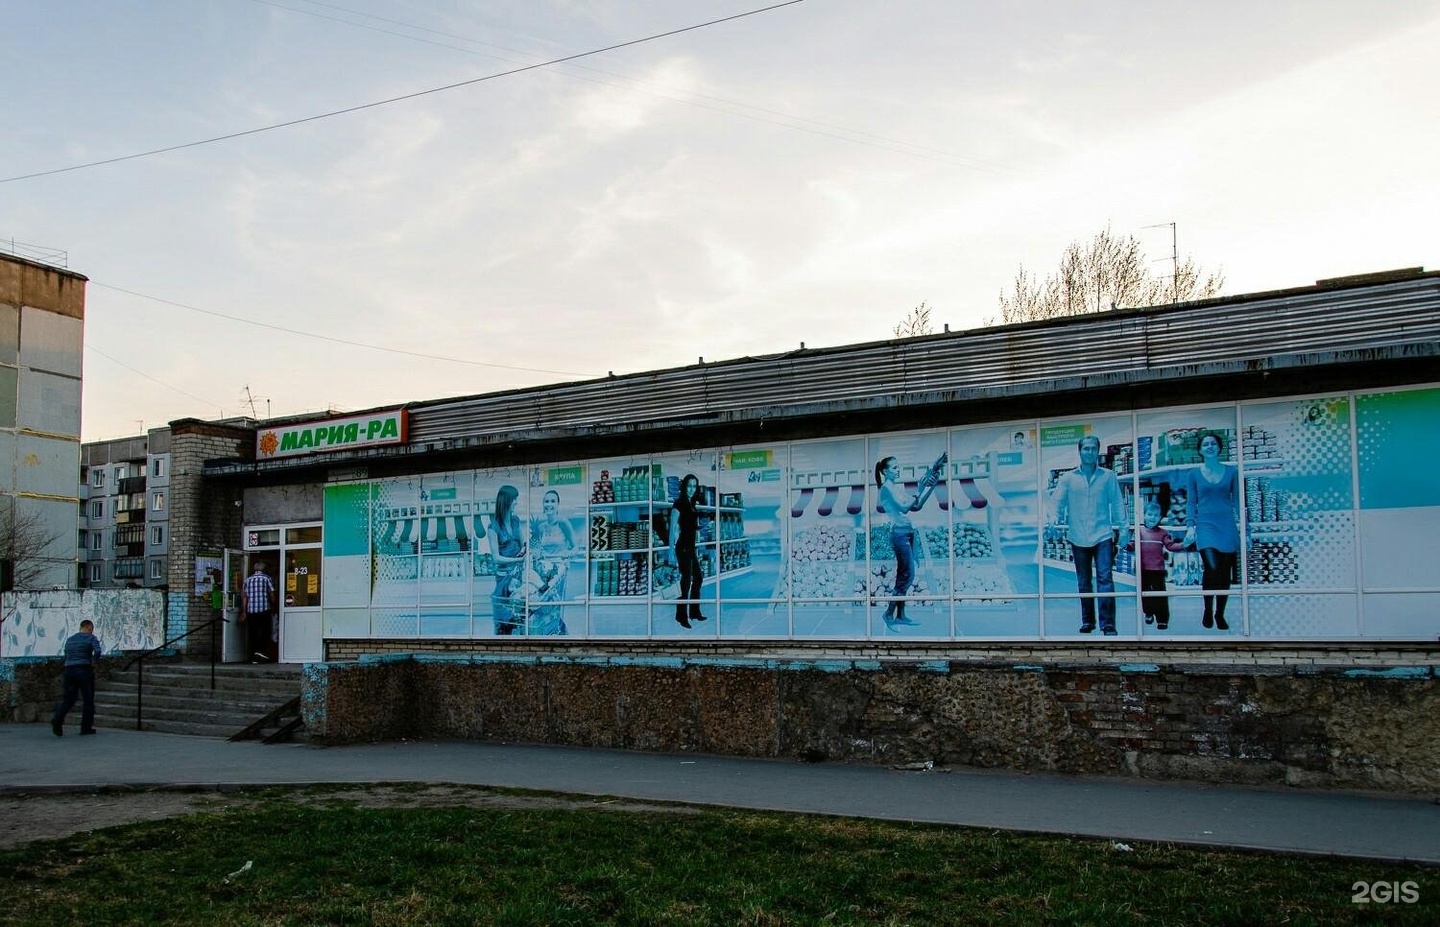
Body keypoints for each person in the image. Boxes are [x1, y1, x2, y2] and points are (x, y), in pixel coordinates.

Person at [1051, 435, 1126, 635]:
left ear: (1098, 452)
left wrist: (1124, 528)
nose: (1090, 452)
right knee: (1084, 582)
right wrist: (1053, 518)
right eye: (1086, 448)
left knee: (1105, 578)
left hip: (1102, 535)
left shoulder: (1108, 476)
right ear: (1080, 451)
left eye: (1093, 448)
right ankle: (1088, 621)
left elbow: (1117, 503)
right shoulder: (1068, 478)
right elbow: (1056, 501)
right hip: (1078, 536)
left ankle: (1108, 624)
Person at [875, 455, 940, 630]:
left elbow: (916, 506)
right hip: (899, 535)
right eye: (895, 468)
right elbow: (904, 508)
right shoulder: (886, 489)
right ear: (885, 471)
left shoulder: (896, 488)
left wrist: (931, 487)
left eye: (898, 467)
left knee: (904, 576)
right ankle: (889, 614)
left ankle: (900, 615)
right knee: (907, 575)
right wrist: (919, 490)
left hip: (908, 534)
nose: (898, 470)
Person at [1185, 431, 1241, 630]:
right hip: (1205, 525)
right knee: (1213, 568)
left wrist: (1246, 530)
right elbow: (1191, 502)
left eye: (1213, 444)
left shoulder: (1232, 472)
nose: (1209, 447)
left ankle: (1220, 613)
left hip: (1227, 525)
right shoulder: (1193, 474)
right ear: (1200, 450)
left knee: (1225, 573)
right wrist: (1190, 526)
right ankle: (1208, 609)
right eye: (1205, 444)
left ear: (1219, 448)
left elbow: (1238, 501)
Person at [1126, 500, 1186, 630]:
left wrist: (1184, 544)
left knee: (1160, 594)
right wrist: (1125, 544)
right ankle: (1148, 612)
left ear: (1160, 518)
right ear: (1144, 515)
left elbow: (1171, 546)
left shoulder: (1163, 533)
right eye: (1149, 514)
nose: (1152, 517)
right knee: (1144, 592)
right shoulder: (1138, 531)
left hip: (1158, 569)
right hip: (1142, 569)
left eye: (1155, 515)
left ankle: (1162, 619)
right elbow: (1131, 545)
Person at [527, 489, 576, 635]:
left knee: (554, 603)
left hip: (559, 570)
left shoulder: (563, 523)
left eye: (553, 501)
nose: (549, 504)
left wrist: (568, 554)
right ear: (543, 504)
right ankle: (552, 631)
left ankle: (557, 630)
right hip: (543, 570)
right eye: (546, 501)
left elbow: (575, 546)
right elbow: (536, 548)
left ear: (558, 504)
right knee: (543, 604)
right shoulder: (541, 526)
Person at [51, 619, 103, 736]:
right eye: (92, 629)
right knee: (88, 700)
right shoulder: (91, 638)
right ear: (89, 627)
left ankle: (57, 718)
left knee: (69, 699)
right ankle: (86, 728)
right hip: (84, 670)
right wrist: (94, 661)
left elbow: (66, 655)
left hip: (69, 670)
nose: (92, 631)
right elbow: (97, 651)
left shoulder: (70, 640)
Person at [669, 474, 708, 628]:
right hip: (682, 548)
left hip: (690, 547)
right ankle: (681, 616)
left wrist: (701, 525)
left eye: (694, 486)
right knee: (685, 583)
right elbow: (672, 528)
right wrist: (670, 551)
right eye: (689, 486)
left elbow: (690, 526)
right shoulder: (679, 503)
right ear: (684, 487)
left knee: (698, 578)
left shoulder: (692, 503)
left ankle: (694, 612)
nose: (691, 489)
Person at [488, 485, 526, 635]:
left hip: (518, 575)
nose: (516, 502)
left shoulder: (516, 521)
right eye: (514, 499)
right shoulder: (493, 527)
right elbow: (496, 558)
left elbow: (523, 544)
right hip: (503, 578)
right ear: (506, 501)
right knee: (504, 614)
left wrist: (524, 550)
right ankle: (502, 637)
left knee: (519, 611)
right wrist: (517, 561)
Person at [241, 562, 277, 662]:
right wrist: (274, 605)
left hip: (251, 611)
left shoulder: (247, 580)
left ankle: (254, 654)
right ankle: (262, 652)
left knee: (253, 632)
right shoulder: (266, 578)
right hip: (264, 609)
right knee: (265, 631)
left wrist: (244, 612)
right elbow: (272, 594)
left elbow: (244, 597)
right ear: (264, 569)